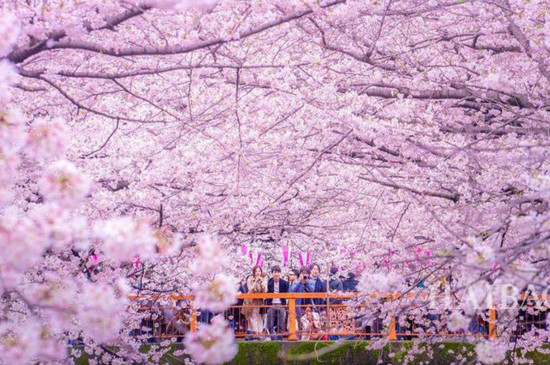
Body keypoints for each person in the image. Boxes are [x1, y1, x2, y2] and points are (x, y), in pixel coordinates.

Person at [243, 266, 267, 339]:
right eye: (256, 271)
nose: (258, 273)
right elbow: (250, 289)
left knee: (258, 317)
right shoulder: (250, 279)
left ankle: (257, 334)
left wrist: (261, 283)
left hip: (259, 302)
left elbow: (265, 290)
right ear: (254, 272)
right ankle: (256, 333)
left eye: (259, 271)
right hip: (250, 301)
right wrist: (255, 282)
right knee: (251, 317)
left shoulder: (263, 279)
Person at [266, 265, 289, 339]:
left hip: (281, 303)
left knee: (281, 322)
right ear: (272, 273)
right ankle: (272, 337)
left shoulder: (284, 283)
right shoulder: (269, 282)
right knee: (270, 323)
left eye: (278, 272)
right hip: (271, 303)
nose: (276, 274)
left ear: (280, 273)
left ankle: (280, 337)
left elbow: (286, 293)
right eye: (275, 272)